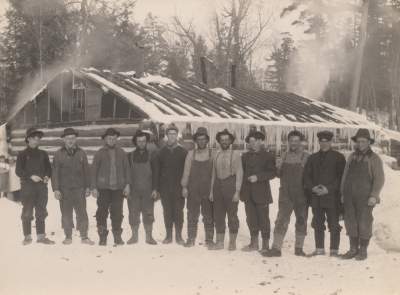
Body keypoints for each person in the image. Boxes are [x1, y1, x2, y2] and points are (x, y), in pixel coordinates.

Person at [341, 128, 385, 260]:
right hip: (349, 196)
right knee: (350, 221)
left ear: (368, 142)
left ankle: (363, 250)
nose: (360, 144)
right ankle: (353, 249)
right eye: (358, 141)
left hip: (365, 197)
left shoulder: (374, 158)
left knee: (364, 222)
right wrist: (342, 193)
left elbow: (379, 179)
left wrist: (374, 195)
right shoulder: (351, 156)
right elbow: (345, 176)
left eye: (363, 141)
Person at [264, 130, 309, 257]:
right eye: (291, 141)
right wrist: (277, 166)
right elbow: (278, 174)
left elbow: (310, 176)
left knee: (301, 220)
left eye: (296, 141)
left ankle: (299, 248)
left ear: (300, 142)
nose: (294, 143)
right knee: (281, 220)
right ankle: (276, 248)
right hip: (286, 194)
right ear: (288, 142)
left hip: (301, 194)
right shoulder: (283, 156)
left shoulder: (306, 157)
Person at [304, 130, 346, 257]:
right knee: (317, 223)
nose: (324, 144)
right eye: (321, 142)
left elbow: (341, 178)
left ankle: (334, 250)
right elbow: (306, 176)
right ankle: (319, 249)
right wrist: (313, 188)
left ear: (331, 142)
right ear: (318, 142)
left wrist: (329, 189)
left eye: (326, 141)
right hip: (316, 197)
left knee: (333, 224)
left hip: (332, 197)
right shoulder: (312, 158)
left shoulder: (339, 157)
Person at [52, 128, 94, 245]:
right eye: (68, 138)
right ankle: (68, 236)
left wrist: (87, 187)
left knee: (82, 213)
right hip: (64, 190)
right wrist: (56, 189)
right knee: (66, 213)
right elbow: (55, 173)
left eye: (72, 138)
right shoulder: (58, 154)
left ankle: (84, 236)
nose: (70, 140)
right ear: (64, 139)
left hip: (79, 189)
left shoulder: (81, 153)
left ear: (75, 139)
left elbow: (87, 171)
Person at [91, 128, 130, 246]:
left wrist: (127, 184)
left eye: (114, 138)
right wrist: (94, 187)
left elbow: (127, 170)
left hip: (118, 188)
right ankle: (102, 236)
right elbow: (93, 171)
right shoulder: (99, 153)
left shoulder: (122, 153)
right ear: (105, 139)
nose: (112, 140)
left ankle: (117, 236)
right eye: (109, 138)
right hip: (103, 188)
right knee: (102, 212)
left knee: (117, 212)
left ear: (116, 139)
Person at [15, 127, 54, 245]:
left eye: (38, 139)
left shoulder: (43, 154)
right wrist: (30, 176)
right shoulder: (22, 154)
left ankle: (41, 237)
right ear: (28, 139)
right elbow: (18, 171)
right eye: (34, 138)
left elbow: (48, 169)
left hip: (41, 188)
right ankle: (27, 237)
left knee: (41, 211)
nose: (36, 141)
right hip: (27, 188)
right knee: (27, 211)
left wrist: (47, 176)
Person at [240, 130, 276, 252]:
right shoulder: (245, 156)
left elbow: (272, 173)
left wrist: (258, 177)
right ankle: (254, 243)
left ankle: (265, 245)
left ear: (261, 141)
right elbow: (242, 173)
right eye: (251, 142)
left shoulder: (268, 156)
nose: (253, 144)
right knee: (251, 218)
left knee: (263, 219)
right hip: (247, 193)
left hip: (262, 194)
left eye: (255, 141)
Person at [208, 129, 243, 251]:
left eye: (226, 139)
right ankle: (219, 242)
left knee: (232, 215)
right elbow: (213, 173)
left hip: (230, 185)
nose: (224, 141)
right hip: (218, 186)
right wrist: (212, 191)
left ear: (230, 141)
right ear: (219, 141)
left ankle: (232, 242)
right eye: (222, 140)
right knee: (218, 215)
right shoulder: (216, 154)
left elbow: (239, 173)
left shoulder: (236, 154)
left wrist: (237, 191)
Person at [181, 127, 214, 247]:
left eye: (203, 139)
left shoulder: (212, 154)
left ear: (207, 140)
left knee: (208, 216)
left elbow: (214, 174)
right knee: (192, 215)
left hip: (207, 190)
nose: (201, 141)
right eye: (199, 139)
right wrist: (184, 187)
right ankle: (190, 238)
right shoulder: (191, 154)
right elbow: (186, 172)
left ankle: (209, 240)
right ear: (196, 141)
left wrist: (212, 191)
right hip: (193, 190)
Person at [154, 123, 187, 244]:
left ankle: (178, 236)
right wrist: (157, 189)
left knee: (179, 211)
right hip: (165, 188)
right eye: (170, 134)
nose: (172, 136)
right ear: (166, 136)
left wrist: (185, 187)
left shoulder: (183, 152)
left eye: (174, 134)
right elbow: (157, 171)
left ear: (177, 136)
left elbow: (187, 171)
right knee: (167, 211)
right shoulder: (161, 152)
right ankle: (168, 236)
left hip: (179, 188)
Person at [126, 130, 158, 245]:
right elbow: (127, 173)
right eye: (139, 141)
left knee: (148, 213)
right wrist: (127, 186)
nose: (141, 143)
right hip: (133, 190)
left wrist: (155, 189)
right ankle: (134, 236)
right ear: (135, 142)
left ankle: (149, 237)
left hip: (148, 190)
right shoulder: (129, 156)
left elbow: (156, 173)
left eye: (143, 141)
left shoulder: (152, 156)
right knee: (133, 213)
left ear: (146, 142)